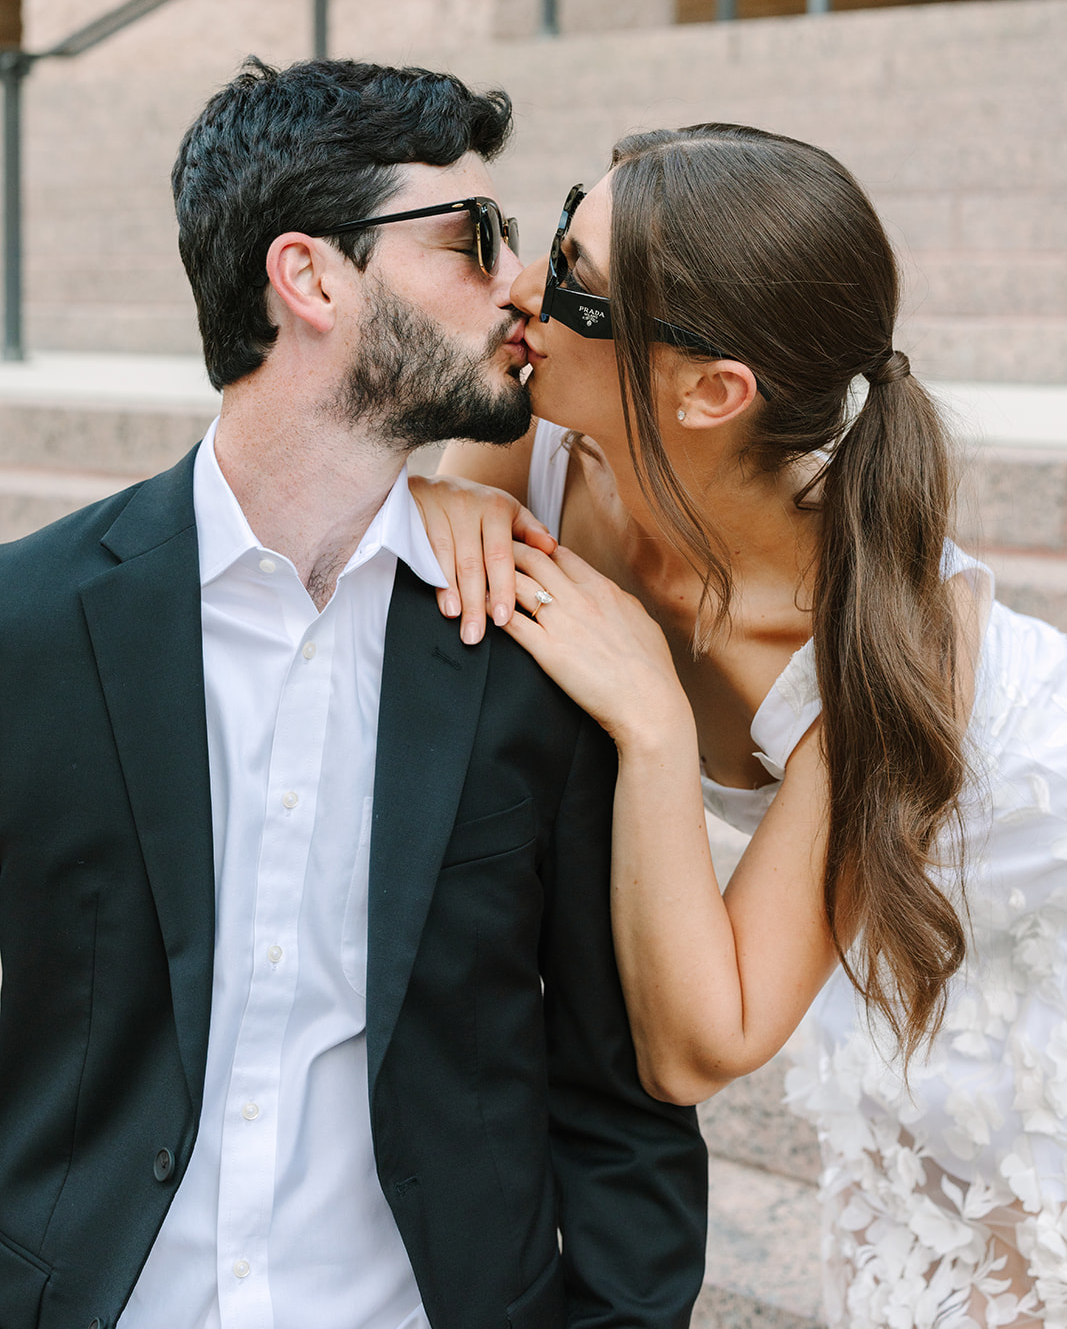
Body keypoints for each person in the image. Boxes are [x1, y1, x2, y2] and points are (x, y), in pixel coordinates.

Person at [0, 62, 709, 1329]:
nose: (519, 282)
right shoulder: (30, 628)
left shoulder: (536, 643)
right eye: (473, 238)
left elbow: (619, 1096)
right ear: (312, 276)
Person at [412, 124, 1067, 1329]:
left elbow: (694, 1047)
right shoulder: (538, 438)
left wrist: (654, 721)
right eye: (551, 238)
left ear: (711, 392)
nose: (514, 290)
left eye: (570, 281)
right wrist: (437, 500)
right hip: (911, 931)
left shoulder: (888, 643)